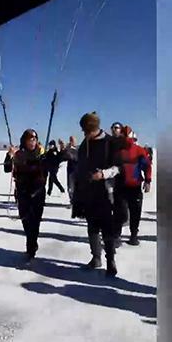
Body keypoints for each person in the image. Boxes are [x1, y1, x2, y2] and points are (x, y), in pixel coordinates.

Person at [73, 112, 121, 277]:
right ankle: (96, 258)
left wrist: (103, 174)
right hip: (87, 192)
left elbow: (118, 167)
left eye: (88, 131)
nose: (86, 134)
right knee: (92, 226)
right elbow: (79, 167)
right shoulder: (84, 144)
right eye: (85, 131)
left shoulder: (110, 142)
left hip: (106, 192)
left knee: (107, 227)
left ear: (95, 128)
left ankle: (110, 261)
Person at [3, 129, 49, 262]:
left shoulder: (41, 153)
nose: (32, 141)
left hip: (38, 192)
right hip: (22, 193)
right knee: (25, 221)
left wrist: (46, 160)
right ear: (25, 140)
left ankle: (31, 248)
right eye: (30, 139)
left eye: (34, 139)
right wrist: (9, 155)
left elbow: (48, 167)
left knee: (35, 222)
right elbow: (7, 168)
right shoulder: (18, 154)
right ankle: (32, 243)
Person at [113, 126, 150, 246]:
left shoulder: (139, 150)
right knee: (121, 212)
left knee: (135, 212)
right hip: (120, 186)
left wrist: (148, 181)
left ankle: (133, 235)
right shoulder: (117, 151)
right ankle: (117, 236)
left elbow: (147, 166)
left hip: (135, 187)